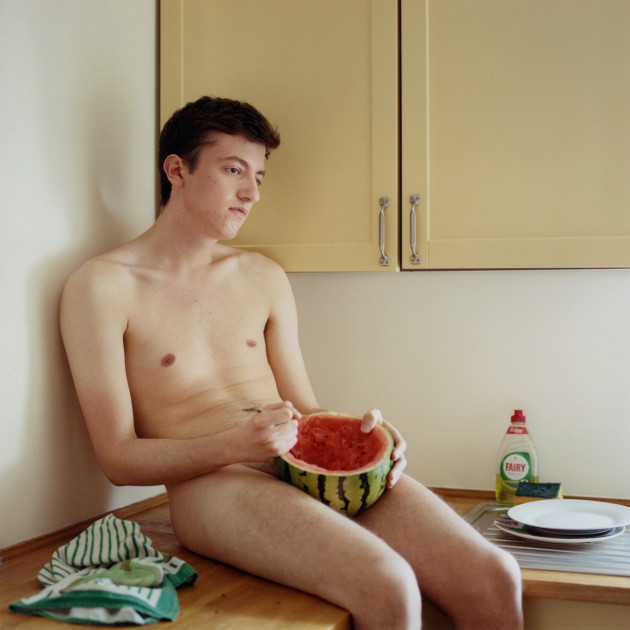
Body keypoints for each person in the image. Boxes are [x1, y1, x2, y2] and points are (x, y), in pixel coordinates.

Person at [60, 96, 524, 630]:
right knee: (390, 583)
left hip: (298, 459)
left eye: (258, 176)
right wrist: (235, 445)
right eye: (233, 170)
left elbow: (305, 407)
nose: (251, 193)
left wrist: (365, 437)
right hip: (214, 484)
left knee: (496, 575)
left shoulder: (263, 276)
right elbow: (118, 459)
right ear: (177, 170)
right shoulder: (101, 288)